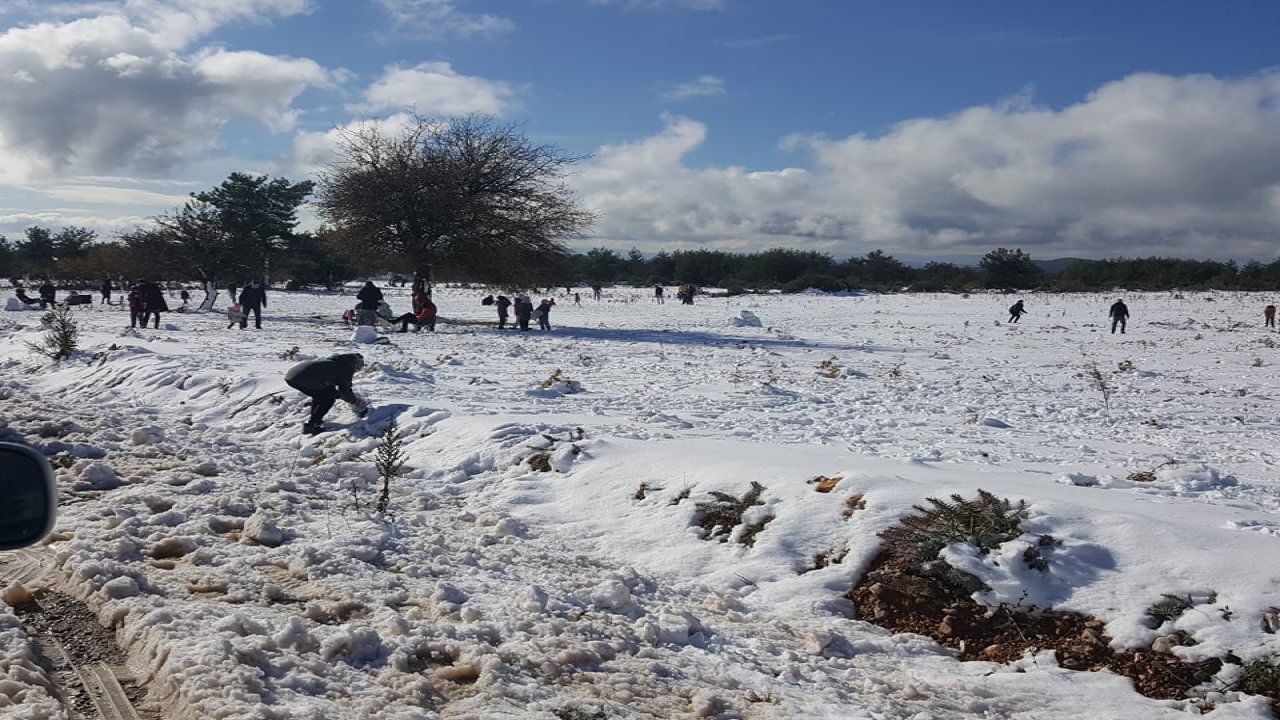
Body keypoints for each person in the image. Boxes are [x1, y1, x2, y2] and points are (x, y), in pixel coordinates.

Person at [284, 353, 368, 436]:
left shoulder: (334, 363)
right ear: (355, 363)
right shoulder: (346, 368)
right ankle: (313, 425)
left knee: (321, 396)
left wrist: (339, 395)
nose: (358, 369)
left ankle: (314, 421)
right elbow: (344, 391)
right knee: (327, 399)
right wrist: (355, 401)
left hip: (292, 376)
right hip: (302, 378)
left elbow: (333, 386)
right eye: (359, 366)